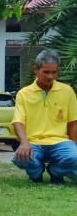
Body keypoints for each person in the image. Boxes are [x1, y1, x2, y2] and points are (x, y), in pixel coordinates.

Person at [12, 49, 77, 184]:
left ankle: (55, 171)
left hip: (60, 142)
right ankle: (36, 173)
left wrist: (73, 148)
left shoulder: (67, 91)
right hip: (33, 142)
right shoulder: (24, 93)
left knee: (75, 156)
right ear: (35, 70)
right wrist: (24, 142)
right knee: (20, 157)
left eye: (54, 72)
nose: (50, 76)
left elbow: (73, 122)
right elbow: (18, 122)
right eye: (46, 72)